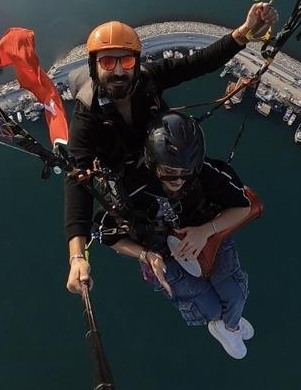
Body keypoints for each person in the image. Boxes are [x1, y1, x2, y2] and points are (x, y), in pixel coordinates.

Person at [64, 3, 277, 295]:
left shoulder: (147, 80)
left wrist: (244, 32)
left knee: (197, 192)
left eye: (125, 63)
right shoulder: (87, 117)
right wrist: (77, 255)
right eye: (107, 62)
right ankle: (164, 258)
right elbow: (78, 179)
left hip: (168, 160)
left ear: (136, 63)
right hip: (133, 180)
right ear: (94, 66)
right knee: (150, 229)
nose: (117, 71)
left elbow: (198, 63)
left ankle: (200, 236)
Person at [99, 112, 255, 359]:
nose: (179, 180)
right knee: (210, 308)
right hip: (159, 251)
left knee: (235, 294)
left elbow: (243, 207)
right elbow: (108, 236)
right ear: (153, 163)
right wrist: (145, 254)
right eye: (170, 171)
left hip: (206, 232)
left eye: (186, 172)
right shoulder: (130, 188)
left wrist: (204, 232)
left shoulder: (205, 172)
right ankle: (225, 324)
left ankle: (231, 325)